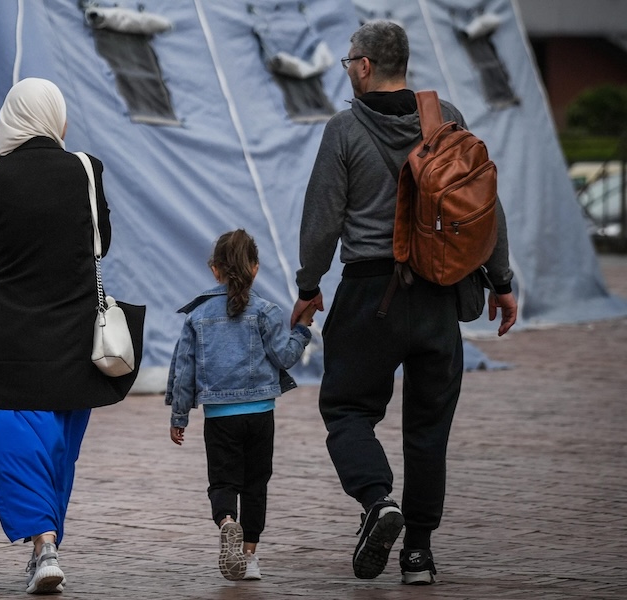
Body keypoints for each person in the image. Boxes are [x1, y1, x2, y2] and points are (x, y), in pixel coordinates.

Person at [292, 21, 518, 585]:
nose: (348, 70)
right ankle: (418, 552)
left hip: (372, 295)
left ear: (364, 65)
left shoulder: (344, 129)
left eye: (348, 62)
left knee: (346, 409)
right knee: (428, 426)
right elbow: (483, 207)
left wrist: (308, 286)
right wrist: (502, 281)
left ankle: (376, 501)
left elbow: (321, 223)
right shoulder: (449, 119)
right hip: (441, 295)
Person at [0, 77, 138, 595]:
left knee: (14, 436)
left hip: (12, 332)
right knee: (59, 440)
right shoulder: (86, 169)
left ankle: (43, 544)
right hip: (74, 328)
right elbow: (99, 240)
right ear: (55, 116)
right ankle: (47, 541)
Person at [166, 229, 313, 582]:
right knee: (255, 484)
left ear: (214, 269)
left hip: (220, 417)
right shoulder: (266, 311)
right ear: (256, 269)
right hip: (260, 414)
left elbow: (184, 370)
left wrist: (179, 414)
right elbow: (285, 357)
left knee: (222, 482)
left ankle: (226, 522)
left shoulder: (197, 316)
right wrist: (303, 329)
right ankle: (248, 556)